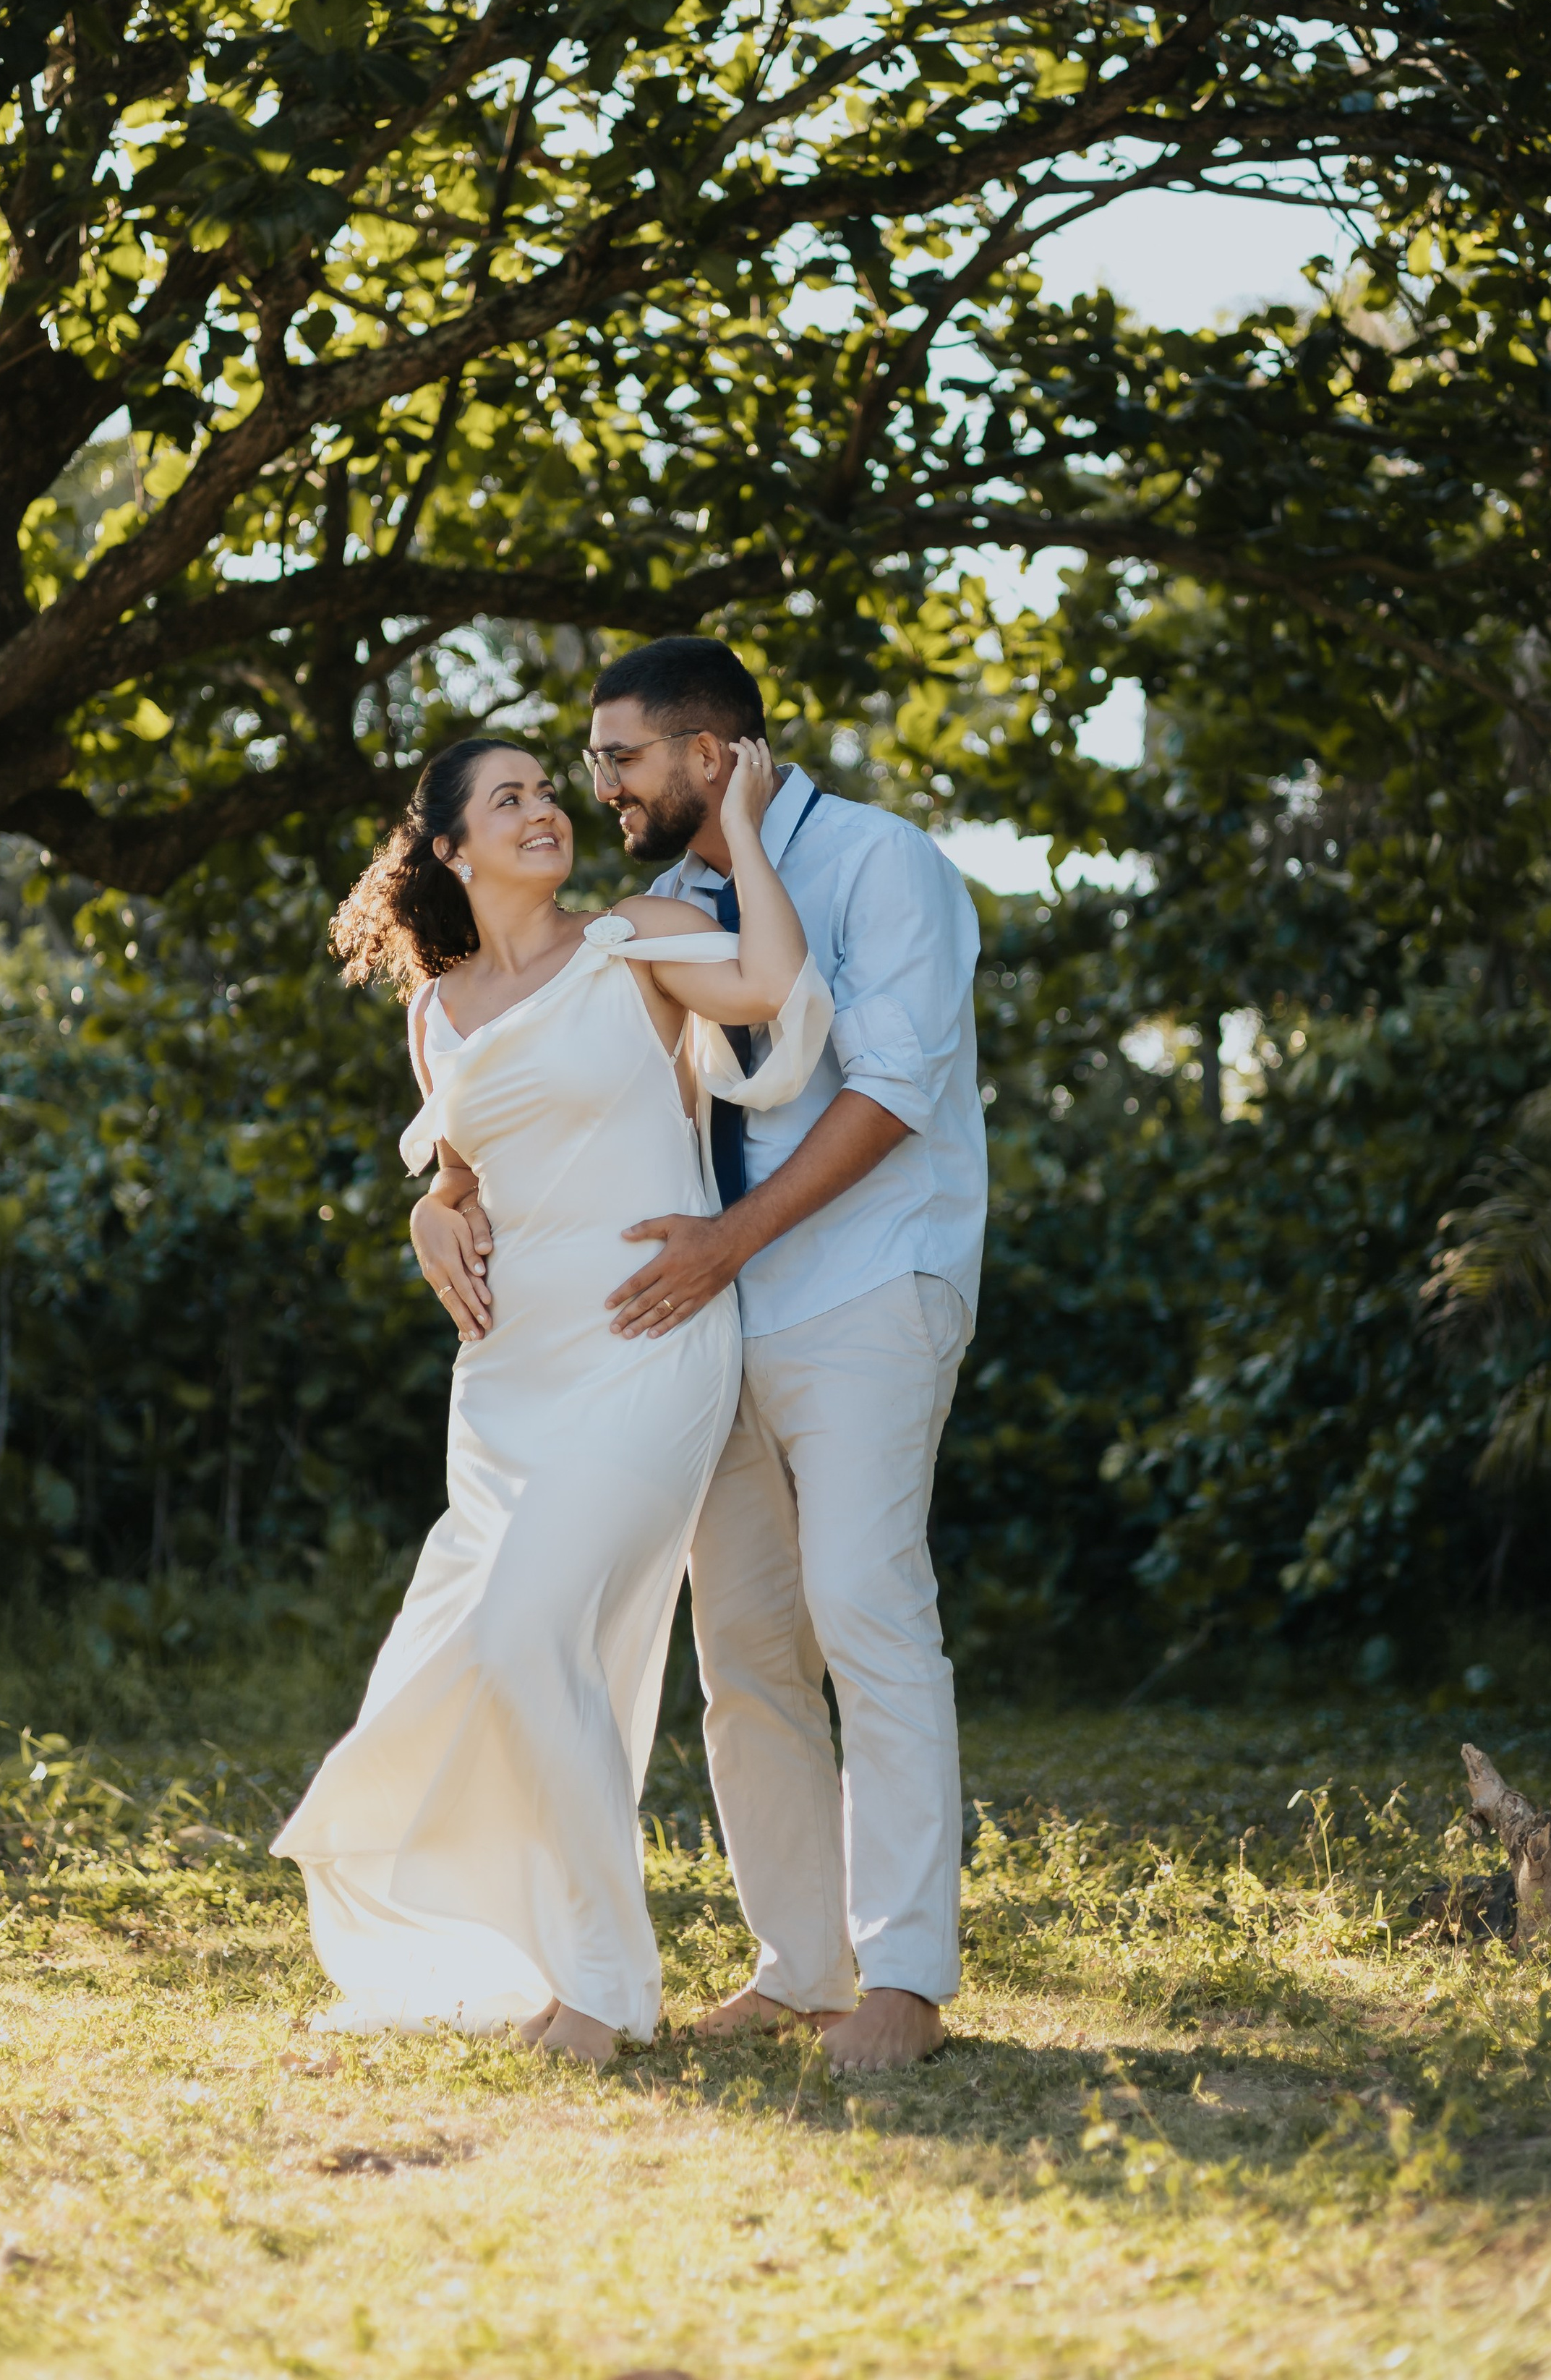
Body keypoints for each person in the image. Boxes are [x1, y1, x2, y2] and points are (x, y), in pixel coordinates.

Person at [416, 640, 986, 2070]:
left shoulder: (876, 858)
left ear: (706, 755)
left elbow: (892, 1090)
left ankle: (905, 1975)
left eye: (616, 759)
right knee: (739, 1647)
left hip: (862, 1285)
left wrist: (729, 1241)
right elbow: (551, 1086)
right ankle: (801, 1965)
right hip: (705, 1319)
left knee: (864, 1600)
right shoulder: (664, 905)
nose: (594, 786)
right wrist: (445, 1192)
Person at [272, 733, 830, 2063]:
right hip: (508, 1380)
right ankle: (570, 1958)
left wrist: (742, 821)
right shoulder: (434, 1011)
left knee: (531, 1635)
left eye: (549, 792)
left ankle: (604, 1984)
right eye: (507, 798)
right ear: (451, 850)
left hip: (653, 1340)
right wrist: (428, 1211)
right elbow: (471, 1169)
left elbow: (769, 982)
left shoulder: (632, 942)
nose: (545, 811)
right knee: (486, 1652)